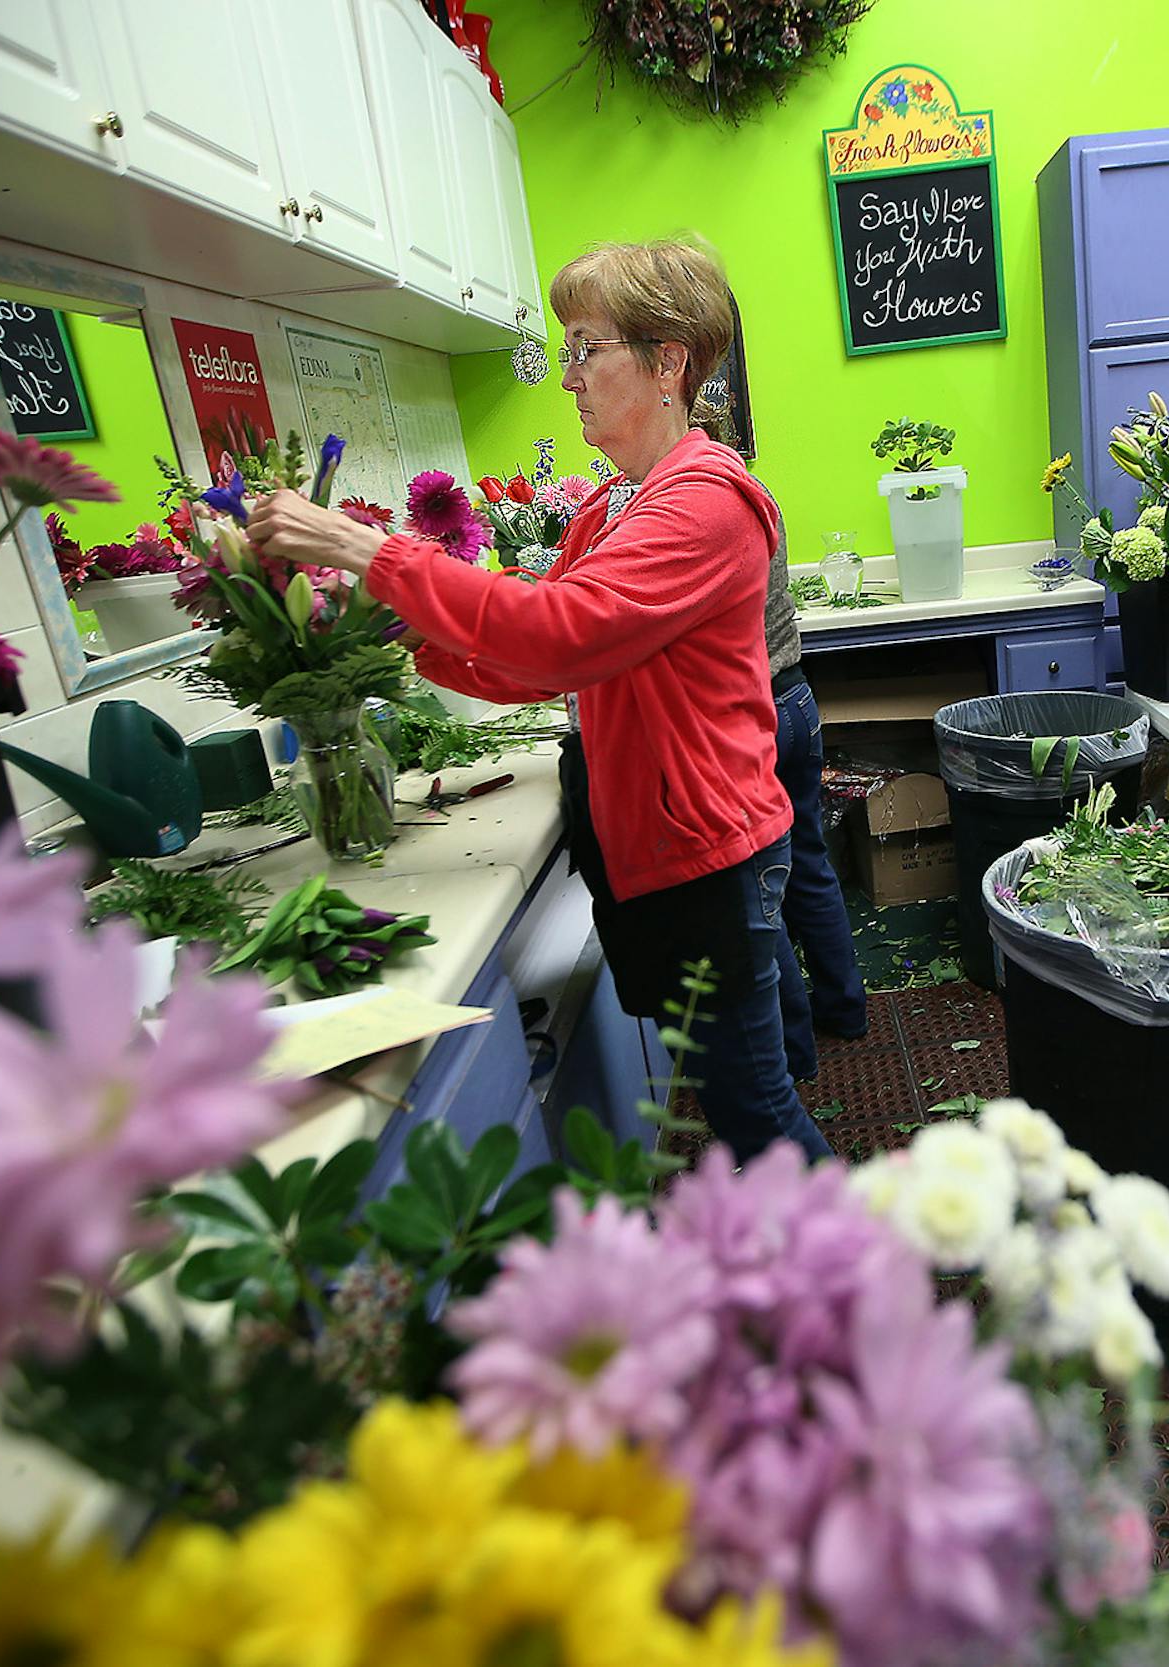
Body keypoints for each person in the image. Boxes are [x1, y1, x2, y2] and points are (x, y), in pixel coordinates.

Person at [245, 239, 829, 1164]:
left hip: (706, 852)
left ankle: (860, 1286)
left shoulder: (708, 501)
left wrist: (372, 556)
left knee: (756, 1109)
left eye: (587, 348)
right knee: (738, 1094)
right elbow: (541, 666)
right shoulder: (614, 507)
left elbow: (563, 627)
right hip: (659, 846)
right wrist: (401, 632)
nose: (570, 378)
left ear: (668, 360)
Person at [696, 405, 870, 1067]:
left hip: (750, 713)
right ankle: (846, 1009)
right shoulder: (755, 494)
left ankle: (795, 1052)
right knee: (809, 859)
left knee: (758, 889)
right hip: (796, 697)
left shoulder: (704, 510)